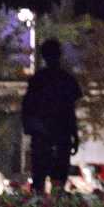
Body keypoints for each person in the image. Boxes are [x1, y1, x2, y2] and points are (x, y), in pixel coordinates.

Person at [21, 38, 82, 194]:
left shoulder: (37, 80)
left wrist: (33, 129)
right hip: (60, 135)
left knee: (39, 180)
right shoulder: (67, 80)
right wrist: (74, 135)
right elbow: (70, 111)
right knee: (58, 180)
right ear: (59, 55)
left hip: (43, 136)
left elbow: (27, 109)